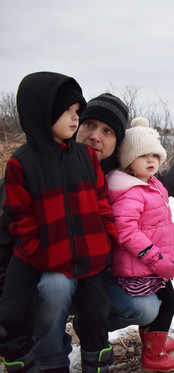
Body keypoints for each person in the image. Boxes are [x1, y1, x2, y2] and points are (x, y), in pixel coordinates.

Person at [0, 91, 174, 372]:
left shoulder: (123, 174)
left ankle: (94, 326)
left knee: (150, 306)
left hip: (96, 279)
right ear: (75, 125)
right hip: (51, 277)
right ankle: (50, 353)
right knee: (55, 284)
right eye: (89, 125)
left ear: (119, 142)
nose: (95, 136)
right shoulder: (35, 167)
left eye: (108, 131)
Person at [0, 72, 117, 372]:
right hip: (46, 255)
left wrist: (106, 236)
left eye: (77, 111)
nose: (75, 118)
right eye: (67, 111)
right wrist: (38, 250)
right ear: (43, 112)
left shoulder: (85, 157)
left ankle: (96, 360)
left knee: (96, 311)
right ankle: (32, 361)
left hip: (89, 254)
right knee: (13, 311)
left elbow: (101, 200)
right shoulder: (21, 162)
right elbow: (21, 215)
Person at [107, 117, 174, 370]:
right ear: (129, 161)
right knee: (168, 304)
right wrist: (155, 257)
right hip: (142, 266)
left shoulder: (151, 184)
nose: (151, 160)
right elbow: (125, 231)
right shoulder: (130, 191)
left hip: (153, 263)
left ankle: (155, 344)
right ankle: (154, 356)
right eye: (143, 156)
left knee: (166, 303)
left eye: (155, 154)